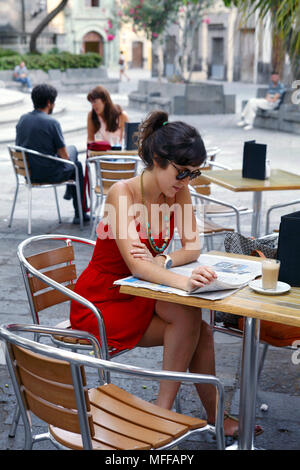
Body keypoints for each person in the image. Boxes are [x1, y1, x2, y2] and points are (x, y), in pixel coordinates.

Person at [70, 110, 261, 441]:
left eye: (192, 174)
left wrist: (164, 260)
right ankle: (175, 414)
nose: (186, 181)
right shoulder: (122, 193)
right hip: (104, 298)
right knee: (194, 322)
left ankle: (173, 413)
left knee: (193, 319)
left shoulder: (178, 191)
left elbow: (192, 248)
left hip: (142, 290)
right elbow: (135, 267)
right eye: (181, 172)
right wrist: (184, 281)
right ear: (158, 159)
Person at [15, 83, 89, 225]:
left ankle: (77, 205)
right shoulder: (51, 123)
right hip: (48, 174)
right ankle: (80, 213)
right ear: (49, 103)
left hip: (28, 173)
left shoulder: (23, 119)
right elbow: (65, 157)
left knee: (75, 162)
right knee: (76, 163)